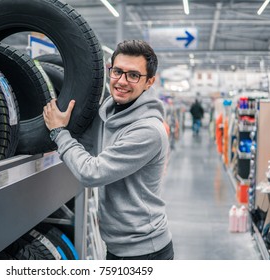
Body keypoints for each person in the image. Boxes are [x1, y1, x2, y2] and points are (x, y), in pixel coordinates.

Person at [43, 40, 173, 260]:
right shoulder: (109, 111)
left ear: (149, 82)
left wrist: (58, 131)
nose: (122, 81)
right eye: (117, 71)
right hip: (116, 246)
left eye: (133, 75)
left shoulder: (148, 131)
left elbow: (92, 173)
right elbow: (87, 143)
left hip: (144, 251)